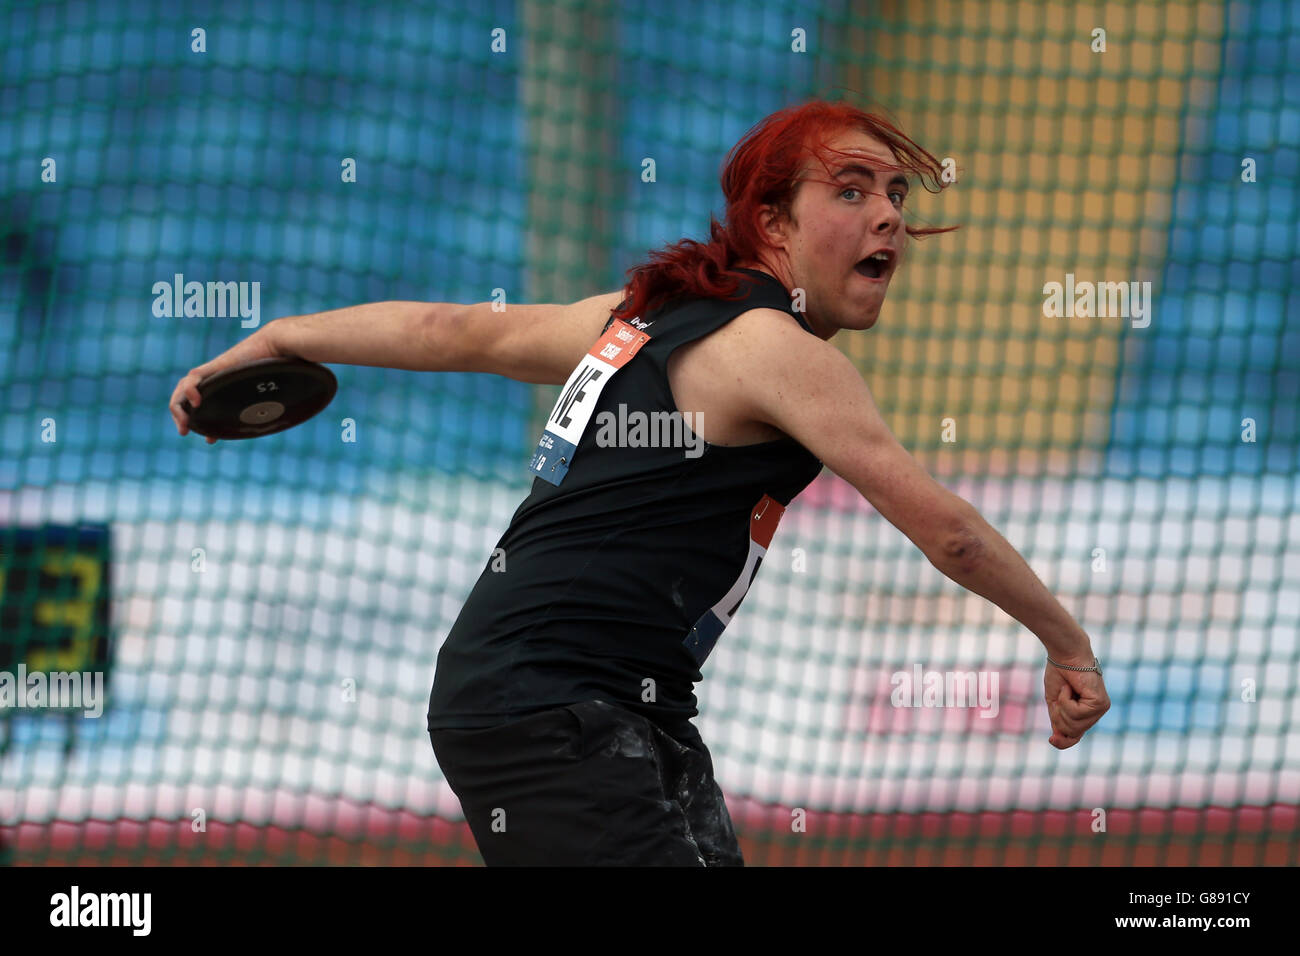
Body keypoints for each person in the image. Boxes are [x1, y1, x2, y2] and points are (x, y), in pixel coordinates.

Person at [169, 100, 1111, 867]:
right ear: (772, 223)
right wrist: (1068, 646)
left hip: (598, 701)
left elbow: (458, 332)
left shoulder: (636, 317)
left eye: (896, 194)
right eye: (852, 190)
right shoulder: (775, 352)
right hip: (555, 706)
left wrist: (287, 333)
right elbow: (947, 532)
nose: (889, 216)